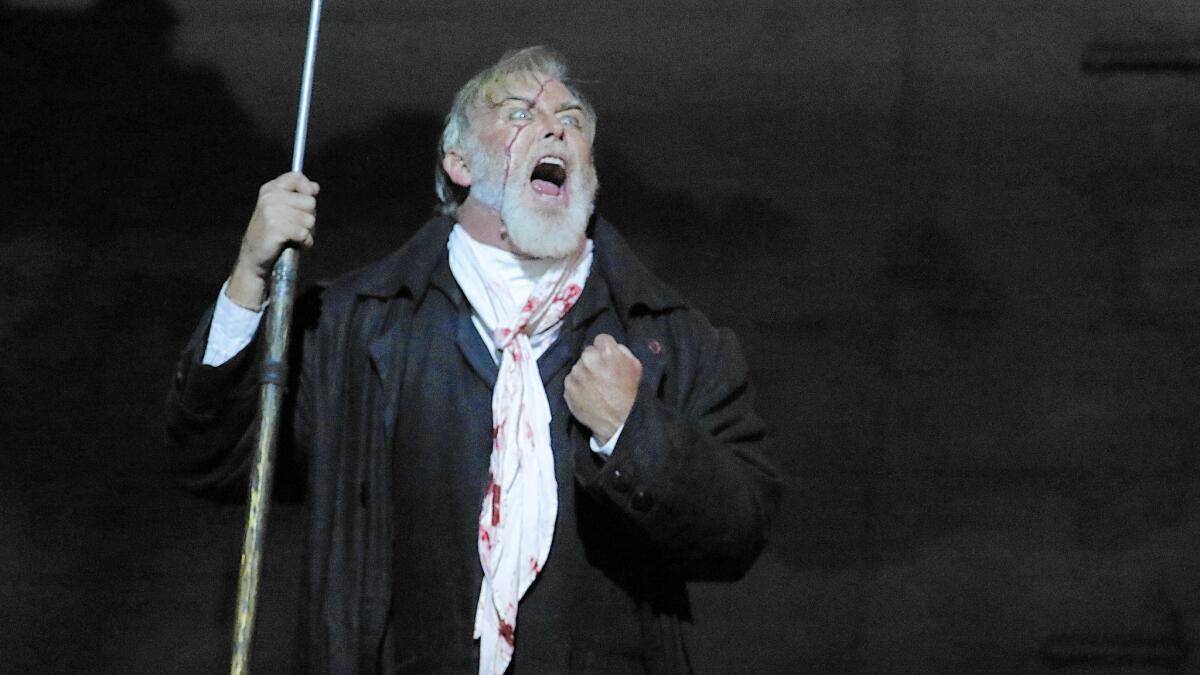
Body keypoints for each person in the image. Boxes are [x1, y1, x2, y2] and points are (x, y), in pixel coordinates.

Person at [167, 46, 781, 674]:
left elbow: (738, 532)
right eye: (519, 113)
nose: (554, 128)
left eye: (572, 119)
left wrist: (634, 431)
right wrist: (250, 274)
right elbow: (216, 458)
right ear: (459, 162)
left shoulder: (667, 340)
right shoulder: (354, 327)